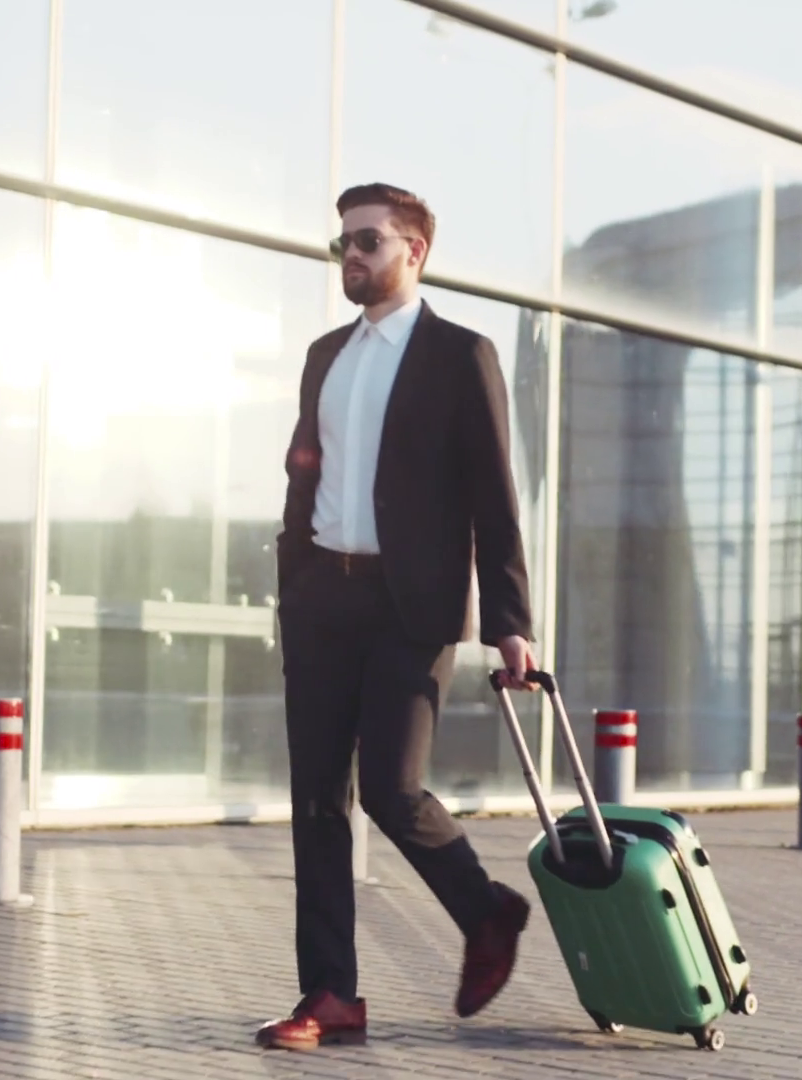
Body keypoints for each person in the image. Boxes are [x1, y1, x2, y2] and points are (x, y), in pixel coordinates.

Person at [256, 183, 538, 1052]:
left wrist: (509, 620)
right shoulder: (324, 355)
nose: (351, 253)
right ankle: (330, 996)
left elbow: (495, 494)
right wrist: (294, 576)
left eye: (368, 239)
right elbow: (307, 471)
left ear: (413, 251)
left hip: (407, 605)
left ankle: (485, 909)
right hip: (322, 599)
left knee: (389, 787)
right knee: (315, 802)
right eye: (341, 241)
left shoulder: (461, 355)